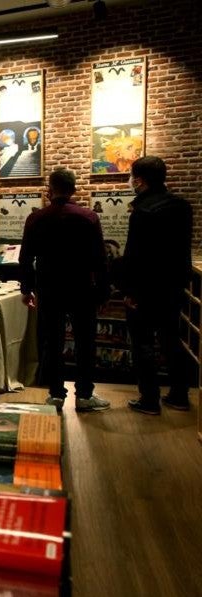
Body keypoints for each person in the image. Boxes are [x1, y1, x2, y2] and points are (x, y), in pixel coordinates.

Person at [20, 167, 110, 412]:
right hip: (81, 288)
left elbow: (26, 258)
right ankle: (84, 395)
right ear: (73, 190)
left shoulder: (36, 218)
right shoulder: (88, 217)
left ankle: (56, 394)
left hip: (48, 288)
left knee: (51, 341)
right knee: (85, 342)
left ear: (50, 189)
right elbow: (100, 259)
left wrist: (26, 289)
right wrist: (103, 292)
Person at [119, 156, 195, 415]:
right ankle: (179, 395)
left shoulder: (143, 212)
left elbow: (135, 255)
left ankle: (149, 399)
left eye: (131, 177)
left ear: (139, 180)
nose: (130, 181)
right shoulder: (182, 206)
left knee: (143, 344)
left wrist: (130, 291)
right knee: (172, 340)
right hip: (173, 286)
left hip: (146, 289)